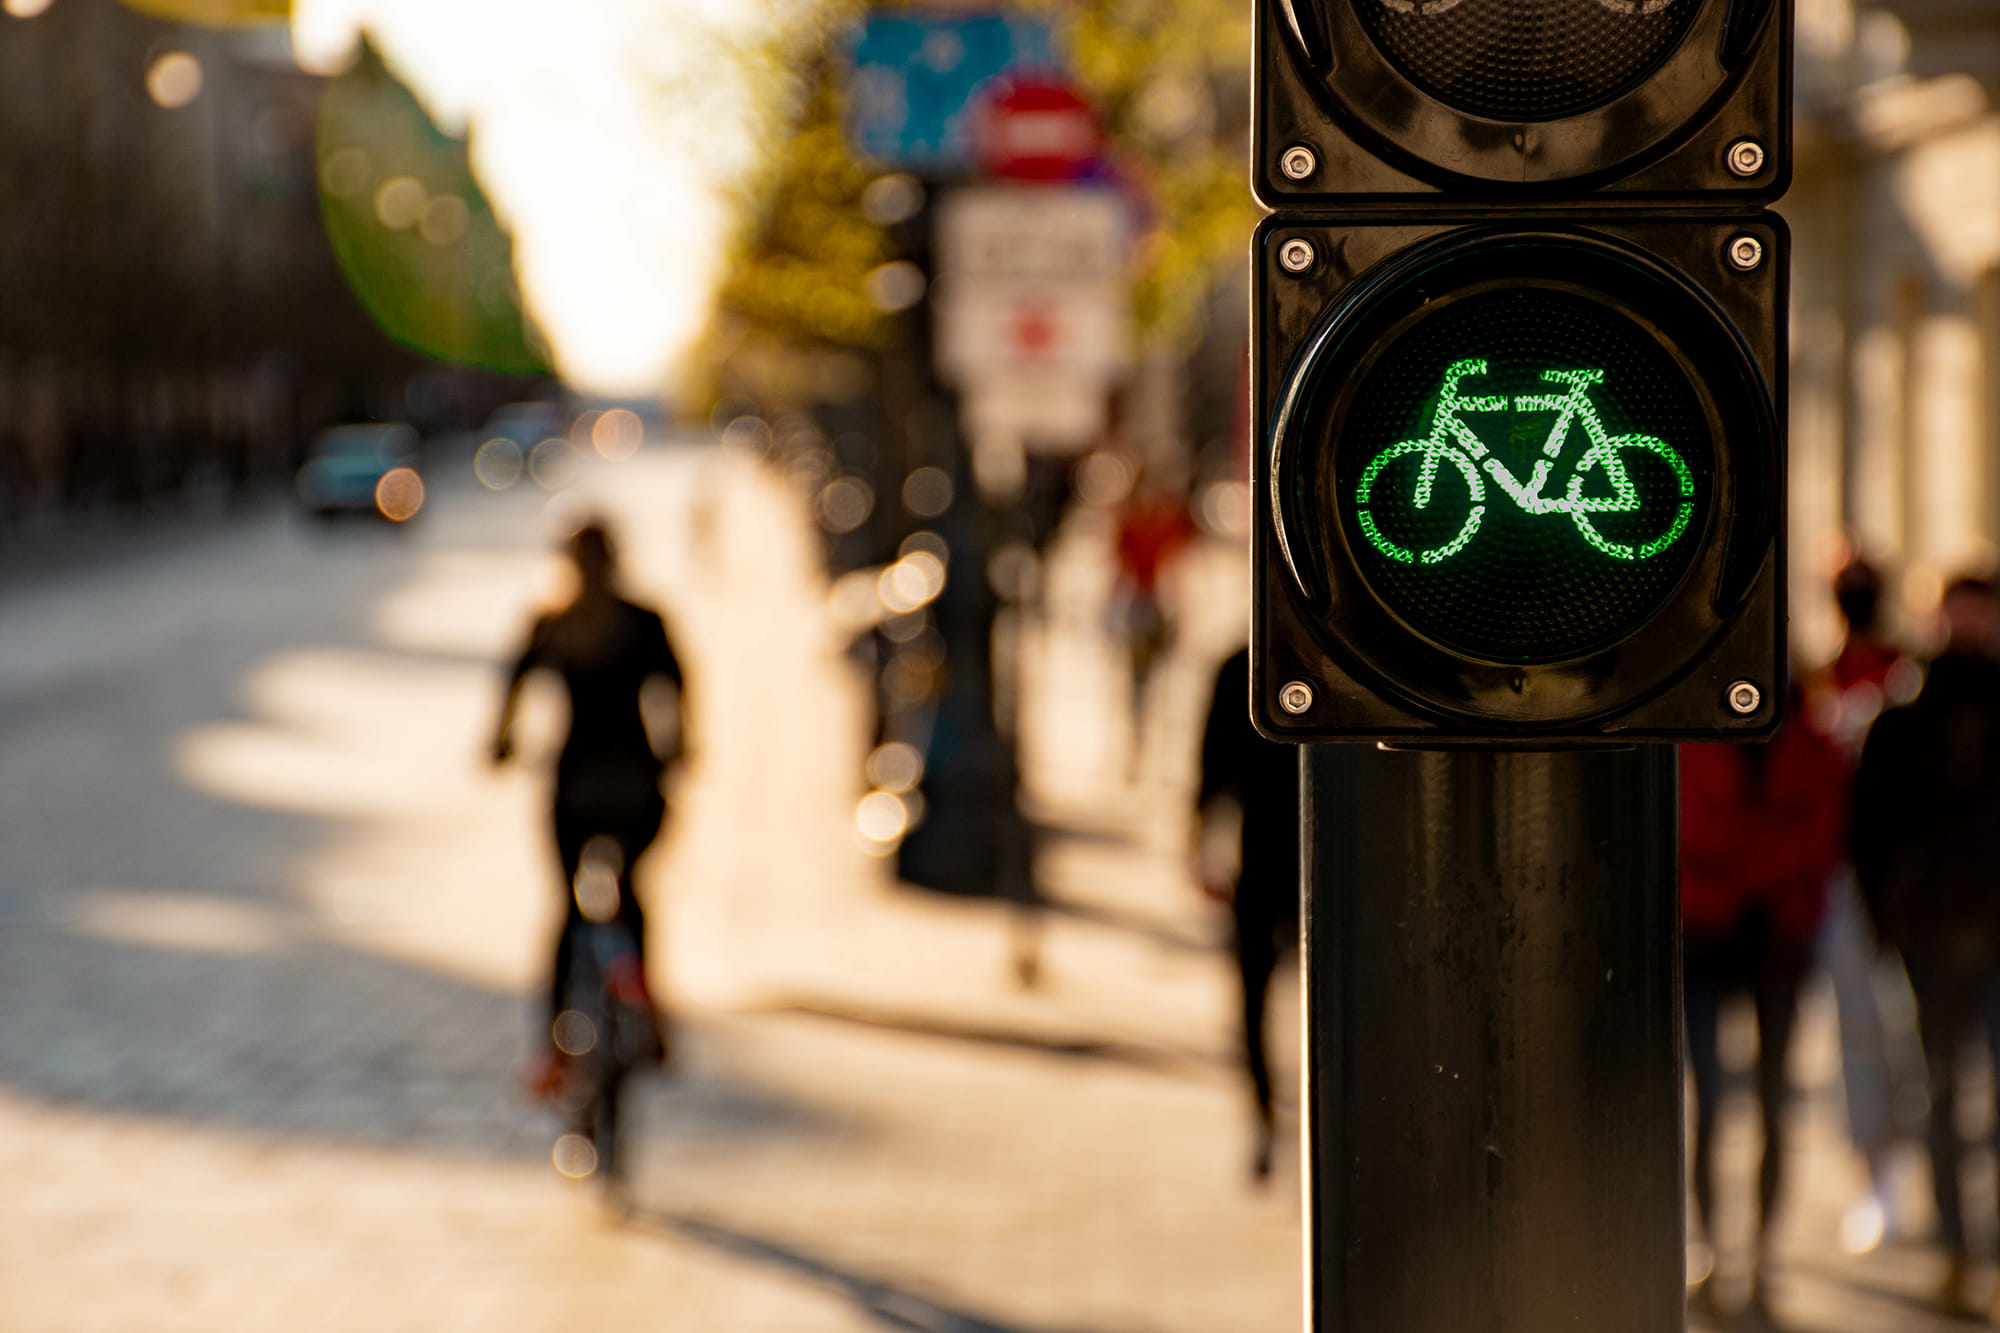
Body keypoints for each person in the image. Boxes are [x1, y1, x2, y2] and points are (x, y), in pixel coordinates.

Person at [490, 521, 684, 1096]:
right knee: (633, 893)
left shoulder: (555, 624)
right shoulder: (644, 621)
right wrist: (679, 745)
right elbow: (679, 686)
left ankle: (552, 1048)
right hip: (636, 783)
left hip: (573, 785)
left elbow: (513, 690)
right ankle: (645, 1009)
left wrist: (501, 743)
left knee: (566, 908)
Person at [1852, 575, 2000, 1319]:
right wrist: (1893, 923)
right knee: (1941, 1091)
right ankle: (1956, 1249)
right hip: (1933, 938)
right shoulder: (1905, 716)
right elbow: (1870, 833)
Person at [1681, 679, 1847, 1328]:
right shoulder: (1693, 732)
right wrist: (1760, 864)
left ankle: (1761, 1257)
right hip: (1708, 938)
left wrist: (1749, 868)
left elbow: (1820, 834)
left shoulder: (1811, 740)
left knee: (1774, 1106)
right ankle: (1712, 1252)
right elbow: (1692, 826)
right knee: (1710, 1105)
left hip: (1777, 941)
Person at [1194, 647, 1299, 1182]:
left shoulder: (1239, 663)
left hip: (1263, 846)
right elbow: (1209, 765)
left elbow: (1209, 768)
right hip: (1291, 850)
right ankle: (1266, 1114)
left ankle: (1265, 1115)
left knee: (1254, 992)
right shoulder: (1240, 665)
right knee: (1263, 990)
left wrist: (1200, 841)